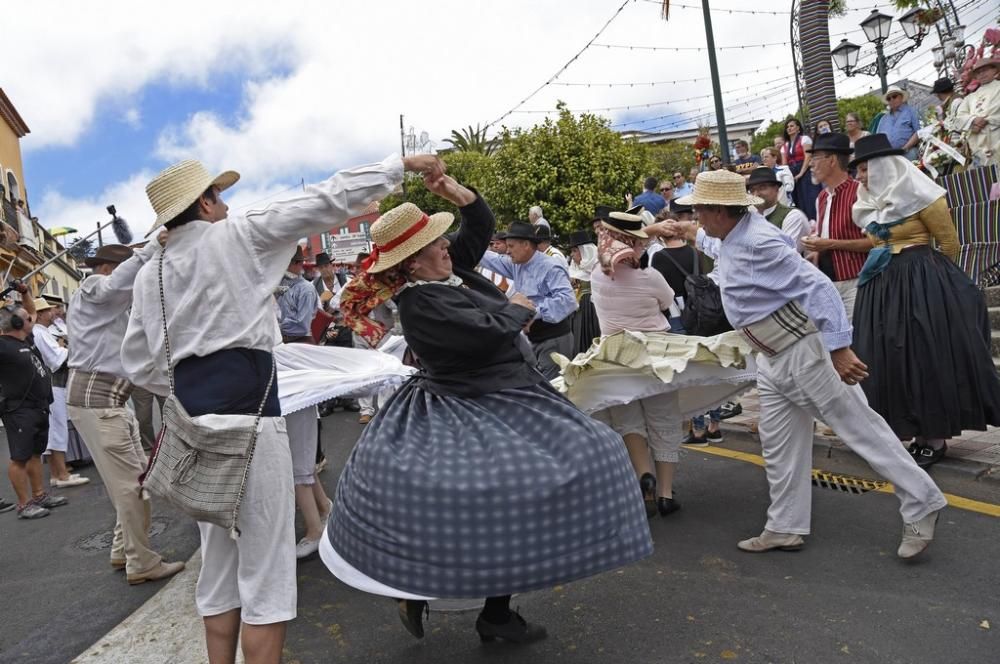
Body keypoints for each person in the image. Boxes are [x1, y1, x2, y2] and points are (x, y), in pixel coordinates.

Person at [122, 153, 442, 664]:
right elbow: (322, 199)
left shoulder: (150, 273)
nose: (225, 205)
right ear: (204, 203)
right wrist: (398, 165)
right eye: (218, 197)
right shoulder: (237, 235)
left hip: (192, 422)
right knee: (267, 578)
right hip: (250, 419)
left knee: (219, 569)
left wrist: (190, 383)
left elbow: (138, 362)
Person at [322, 173, 652, 644]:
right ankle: (416, 586)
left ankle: (495, 612)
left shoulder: (445, 270)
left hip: (508, 393)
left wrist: (455, 193)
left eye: (442, 240)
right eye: (437, 244)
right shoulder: (421, 305)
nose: (448, 248)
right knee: (496, 500)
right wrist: (517, 307)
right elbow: (486, 332)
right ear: (412, 264)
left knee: (542, 486)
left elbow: (477, 228)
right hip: (470, 404)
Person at [667, 169, 947, 559]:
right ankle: (784, 526)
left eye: (697, 211)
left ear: (717, 210)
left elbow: (815, 285)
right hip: (775, 358)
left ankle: (922, 500)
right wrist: (678, 232)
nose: (695, 216)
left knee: (860, 429)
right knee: (780, 445)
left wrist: (839, 347)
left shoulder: (757, 240)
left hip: (802, 351)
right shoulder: (734, 235)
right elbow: (718, 249)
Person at [850, 133, 1000, 467]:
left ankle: (933, 437)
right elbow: (876, 244)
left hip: (920, 280)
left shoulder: (924, 197)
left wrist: (937, 284)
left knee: (923, 353)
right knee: (889, 356)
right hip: (882, 284)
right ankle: (907, 430)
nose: (859, 177)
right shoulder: (868, 203)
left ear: (884, 167)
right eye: (857, 170)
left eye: (863, 169)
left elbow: (949, 243)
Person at [65, 243, 185, 583]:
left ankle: (123, 550)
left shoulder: (108, 308)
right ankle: (142, 562)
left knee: (131, 483)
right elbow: (116, 285)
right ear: (107, 269)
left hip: (108, 402)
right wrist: (150, 249)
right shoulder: (93, 287)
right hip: (99, 402)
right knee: (132, 487)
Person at [587, 210, 683, 516]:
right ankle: (666, 493)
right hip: (656, 353)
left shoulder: (596, 276)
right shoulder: (650, 277)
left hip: (614, 357)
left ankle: (645, 477)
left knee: (628, 419)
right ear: (635, 244)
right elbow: (668, 302)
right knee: (663, 418)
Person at [478, 221, 577, 380]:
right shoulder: (517, 264)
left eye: (511, 246)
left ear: (525, 244)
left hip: (553, 338)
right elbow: (492, 259)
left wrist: (530, 312)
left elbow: (567, 301)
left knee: (555, 389)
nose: (507, 251)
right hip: (533, 338)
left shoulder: (550, 266)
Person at [0, 290, 68, 519]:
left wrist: (25, 292)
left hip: (38, 406)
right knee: (19, 457)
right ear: (18, 323)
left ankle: (39, 495)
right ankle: (24, 504)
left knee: (34, 454)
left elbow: (31, 311)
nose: (33, 318)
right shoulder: (3, 345)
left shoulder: (26, 339)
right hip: (19, 409)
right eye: (27, 318)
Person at [800, 133, 871, 321]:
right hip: (829, 283)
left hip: (856, 282)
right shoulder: (821, 197)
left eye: (815, 158)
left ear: (831, 160)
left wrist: (830, 244)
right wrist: (816, 251)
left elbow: (875, 242)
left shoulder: (859, 191)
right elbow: (825, 234)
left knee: (858, 342)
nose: (811, 164)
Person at [30, 298, 87, 488]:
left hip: (52, 384)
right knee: (57, 429)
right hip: (53, 385)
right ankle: (61, 474)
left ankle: (58, 473)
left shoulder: (41, 332)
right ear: (39, 315)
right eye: (47, 311)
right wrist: (68, 348)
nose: (52, 313)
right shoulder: (40, 333)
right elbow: (56, 358)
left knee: (56, 429)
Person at [348, 250, 397, 424]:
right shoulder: (351, 287)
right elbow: (335, 303)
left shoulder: (381, 286)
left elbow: (395, 305)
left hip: (382, 333)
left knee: (384, 370)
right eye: (358, 268)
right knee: (364, 372)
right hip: (360, 334)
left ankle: (384, 408)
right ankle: (366, 410)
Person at [950, 57, 999, 168]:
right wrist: (973, 121)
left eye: (985, 70)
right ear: (975, 76)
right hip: (977, 143)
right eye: (978, 72)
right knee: (985, 178)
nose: (982, 74)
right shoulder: (970, 97)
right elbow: (959, 118)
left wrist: (987, 120)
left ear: (995, 70)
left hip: (997, 136)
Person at [746, 167, 809, 255]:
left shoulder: (792, 216)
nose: (756, 194)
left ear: (776, 189)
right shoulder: (748, 220)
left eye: (762, 188)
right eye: (752, 190)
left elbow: (785, 256)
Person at [567, 230, 600, 355]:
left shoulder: (598, 266)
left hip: (592, 311)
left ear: (585, 251)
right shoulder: (574, 268)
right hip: (577, 311)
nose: (572, 254)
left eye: (575, 250)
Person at [782, 118, 821, 221]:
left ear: (798, 128)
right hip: (792, 173)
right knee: (797, 199)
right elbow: (784, 164)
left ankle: (815, 221)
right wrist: (787, 177)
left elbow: (808, 157)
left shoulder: (804, 139)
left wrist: (801, 173)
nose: (789, 128)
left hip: (805, 170)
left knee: (810, 198)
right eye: (787, 127)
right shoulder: (785, 146)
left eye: (792, 126)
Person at [276, 246, 318, 344]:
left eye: (286, 263)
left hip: (300, 341)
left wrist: (277, 326)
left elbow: (301, 325)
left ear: (298, 263)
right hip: (282, 340)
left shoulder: (306, 289)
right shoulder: (281, 283)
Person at [876, 86, 922, 161]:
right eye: (889, 98)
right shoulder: (883, 119)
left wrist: (905, 148)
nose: (892, 99)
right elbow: (878, 139)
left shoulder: (911, 111)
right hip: (889, 157)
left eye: (894, 96)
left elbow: (918, 132)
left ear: (901, 97)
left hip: (908, 153)